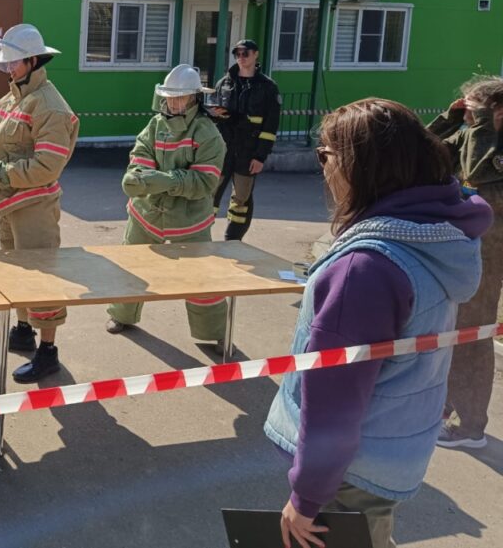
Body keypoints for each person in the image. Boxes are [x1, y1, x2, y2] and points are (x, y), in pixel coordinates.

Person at [264, 99, 491, 548]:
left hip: (350, 472)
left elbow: (334, 403)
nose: (323, 168)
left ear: (361, 166)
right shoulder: (435, 234)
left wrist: (307, 498)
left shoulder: (363, 271)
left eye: (325, 155)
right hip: (393, 449)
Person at [0, 23, 79, 383]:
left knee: (43, 281)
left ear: (32, 61)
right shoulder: (11, 99)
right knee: (17, 274)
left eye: (13, 62)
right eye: (6, 62)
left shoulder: (51, 106)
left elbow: (47, 167)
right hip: (9, 205)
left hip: (35, 208)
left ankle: (48, 351)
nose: (8, 69)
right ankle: (23, 331)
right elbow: (0, 149)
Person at [105, 65, 227, 346]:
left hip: (189, 221)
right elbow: (141, 154)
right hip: (145, 214)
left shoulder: (207, 133)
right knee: (131, 267)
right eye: (169, 97)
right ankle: (121, 314)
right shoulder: (155, 125)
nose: (172, 103)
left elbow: (206, 181)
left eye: (179, 97)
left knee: (200, 277)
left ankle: (213, 333)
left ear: (194, 98)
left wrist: (166, 180)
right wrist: (137, 176)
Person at [427, 76, 503, 449]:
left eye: (475, 109)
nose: (469, 115)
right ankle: (447, 405)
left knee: (473, 336)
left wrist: (483, 125)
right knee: (450, 331)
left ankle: (470, 426)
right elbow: (424, 152)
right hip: (461, 247)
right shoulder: (472, 134)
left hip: (490, 254)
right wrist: (450, 118)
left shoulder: (490, 142)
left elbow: (476, 174)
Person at [209, 39, 281, 240]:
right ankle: (201, 235)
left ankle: (233, 239)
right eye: (237, 54)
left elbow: (270, 127)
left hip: (248, 153)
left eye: (245, 53)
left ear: (255, 54)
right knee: (209, 195)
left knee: (241, 198)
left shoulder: (268, 87)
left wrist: (260, 156)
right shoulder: (224, 83)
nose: (240, 57)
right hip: (223, 150)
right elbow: (213, 118)